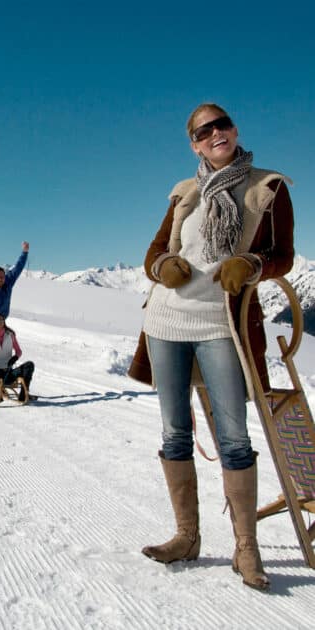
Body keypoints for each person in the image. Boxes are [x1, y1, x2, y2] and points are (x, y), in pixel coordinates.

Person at [128, 103, 294, 591]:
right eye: (205, 131)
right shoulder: (184, 192)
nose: (216, 133)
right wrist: (164, 269)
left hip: (223, 323)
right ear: (195, 145)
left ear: (235, 130)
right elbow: (154, 252)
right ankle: (187, 536)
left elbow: (282, 254)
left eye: (222, 124)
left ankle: (246, 548)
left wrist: (253, 267)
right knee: (175, 432)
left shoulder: (269, 186)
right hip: (166, 321)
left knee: (234, 437)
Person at [0, 313, 35, 404]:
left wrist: (15, 357)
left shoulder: (10, 334)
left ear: (4, 322)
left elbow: (18, 351)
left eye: (1, 320)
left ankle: (23, 394)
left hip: (7, 373)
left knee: (29, 365)